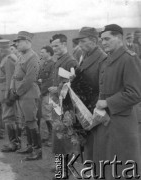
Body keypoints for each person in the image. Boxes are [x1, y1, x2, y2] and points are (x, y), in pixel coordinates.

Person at [94, 24, 141, 179]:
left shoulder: (129, 59)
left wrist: (107, 102)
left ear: (119, 38)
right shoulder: (108, 60)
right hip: (107, 120)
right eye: (102, 40)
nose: (103, 42)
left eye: (107, 39)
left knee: (122, 163)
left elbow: (135, 93)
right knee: (109, 161)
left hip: (122, 122)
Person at [72, 27, 107, 161]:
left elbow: (104, 86)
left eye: (83, 41)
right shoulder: (84, 56)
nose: (79, 45)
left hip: (95, 106)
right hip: (84, 105)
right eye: (79, 42)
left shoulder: (102, 58)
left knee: (95, 145)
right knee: (88, 145)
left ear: (93, 41)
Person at [11, 31, 42, 161]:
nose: (17, 44)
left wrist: (17, 92)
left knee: (31, 121)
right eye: (16, 42)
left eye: (19, 42)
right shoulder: (22, 56)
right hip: (22, 93)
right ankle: (30, 146)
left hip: (28, 93)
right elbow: (16, 74)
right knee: (26, 121)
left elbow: (29, 79)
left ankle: (37, 150)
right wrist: (13, 89)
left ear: (28, 42)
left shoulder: (32, 57)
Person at [49, 34, 78, 156]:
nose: (54, 49)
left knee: (65, 136)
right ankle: (60, 166)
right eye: (53, 46)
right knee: (58, 134)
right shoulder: (60, 60)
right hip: (57, 103)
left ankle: (64, 169)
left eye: (57, 45)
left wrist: (58, 88)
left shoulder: (70, 61)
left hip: (66, 105)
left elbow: (75, 83)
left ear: (64, 45)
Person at [0, 39, 21, 152]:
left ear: (4, 48)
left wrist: (9, 96)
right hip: (3, 93)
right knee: (9, 118)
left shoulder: (9, 59)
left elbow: (11, 78)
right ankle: (13, 142)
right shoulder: (6, 58)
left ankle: (13, 143)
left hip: (6, 94)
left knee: (9, 118)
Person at [38, 45, 55, 146]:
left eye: (42, 52)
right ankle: (46, 136)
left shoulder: (52, 64)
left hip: (47, 92)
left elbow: (51, 80)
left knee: (48, 115)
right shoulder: (44, 64)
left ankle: (52, 138)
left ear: (49, 53)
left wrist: (42, 83)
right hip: (43, 92)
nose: (41, 54)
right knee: (44, 115)